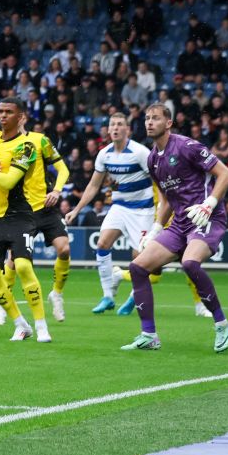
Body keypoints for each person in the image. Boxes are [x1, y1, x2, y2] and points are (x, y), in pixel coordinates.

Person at [65, 113, 209, 317]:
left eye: (119, 124)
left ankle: (133, 295)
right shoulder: (104, 154)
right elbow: (94, 185)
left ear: (127, 130)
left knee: (141, 259)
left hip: (143, 210)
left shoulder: (140, 153)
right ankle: (108, 296)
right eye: (111, 124)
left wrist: (163, 210)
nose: (114, 128)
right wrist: (77, 209)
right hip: (119, 206)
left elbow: (160, 182)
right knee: (102, 244)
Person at [120, 103, 228, 352]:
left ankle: (222, 323)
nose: (149, 122)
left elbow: (225, 174)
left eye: (156, 118)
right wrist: (155, 229)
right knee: (138, 267)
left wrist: (209, 204)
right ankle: (149, 335)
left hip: (207, 218)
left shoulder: (187, 146)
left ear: (168, 123)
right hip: (180, 222)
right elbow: (167, 198)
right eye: (147, 118)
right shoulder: (152, 160)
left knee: (190, 263)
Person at [0, 97, 51, 343]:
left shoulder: (26, 147)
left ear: (20, 116)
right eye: (0, 111)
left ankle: (41, 325)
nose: (3, 115)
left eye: (9, 112)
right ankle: (20, 324)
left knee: (23, 266)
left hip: (19, 215)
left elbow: (7, 181)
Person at [0, 113, 72, 324]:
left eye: (12, 114)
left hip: (45, 206)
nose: (7, 118)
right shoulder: (1, 144)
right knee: (14, 260)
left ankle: (56, 293)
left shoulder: (40, 140)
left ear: (22, 117)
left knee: (65, 249)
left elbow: (63, 169)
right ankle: (3, 304)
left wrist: (57, 191)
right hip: (20, 211)